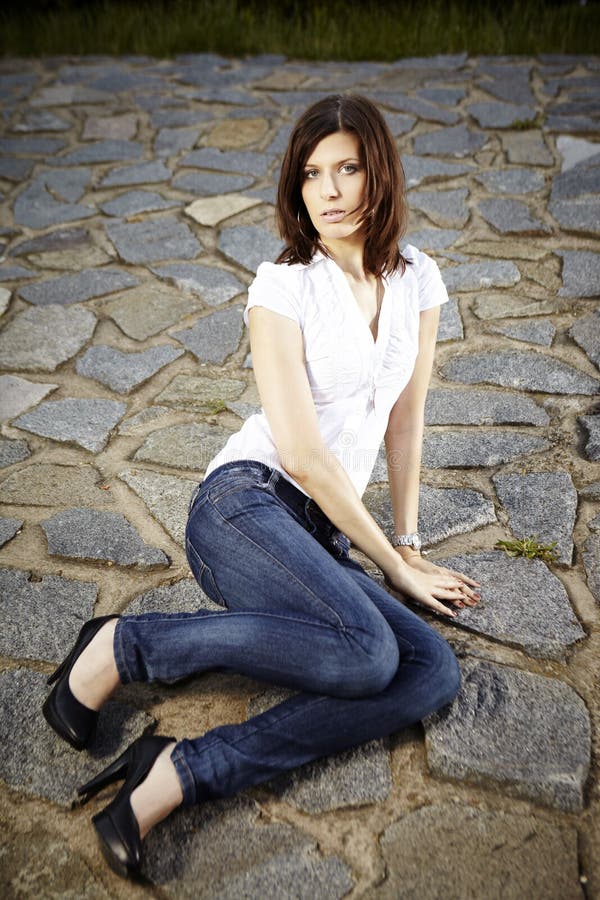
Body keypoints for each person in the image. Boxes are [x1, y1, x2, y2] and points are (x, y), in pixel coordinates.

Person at [42, 93, 480, 881]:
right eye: (313, 173)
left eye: (348, 168)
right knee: (366, 653)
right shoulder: (282, 286)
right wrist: (394, 567)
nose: (332, 191)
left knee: (428, 671)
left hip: (316, 532)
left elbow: (406, 418)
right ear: (297, 186)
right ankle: (126, 645)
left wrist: (408, 542)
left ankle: (178, 772)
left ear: (379, 171)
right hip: (243, 507)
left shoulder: (418, 279)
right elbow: (306, 459)